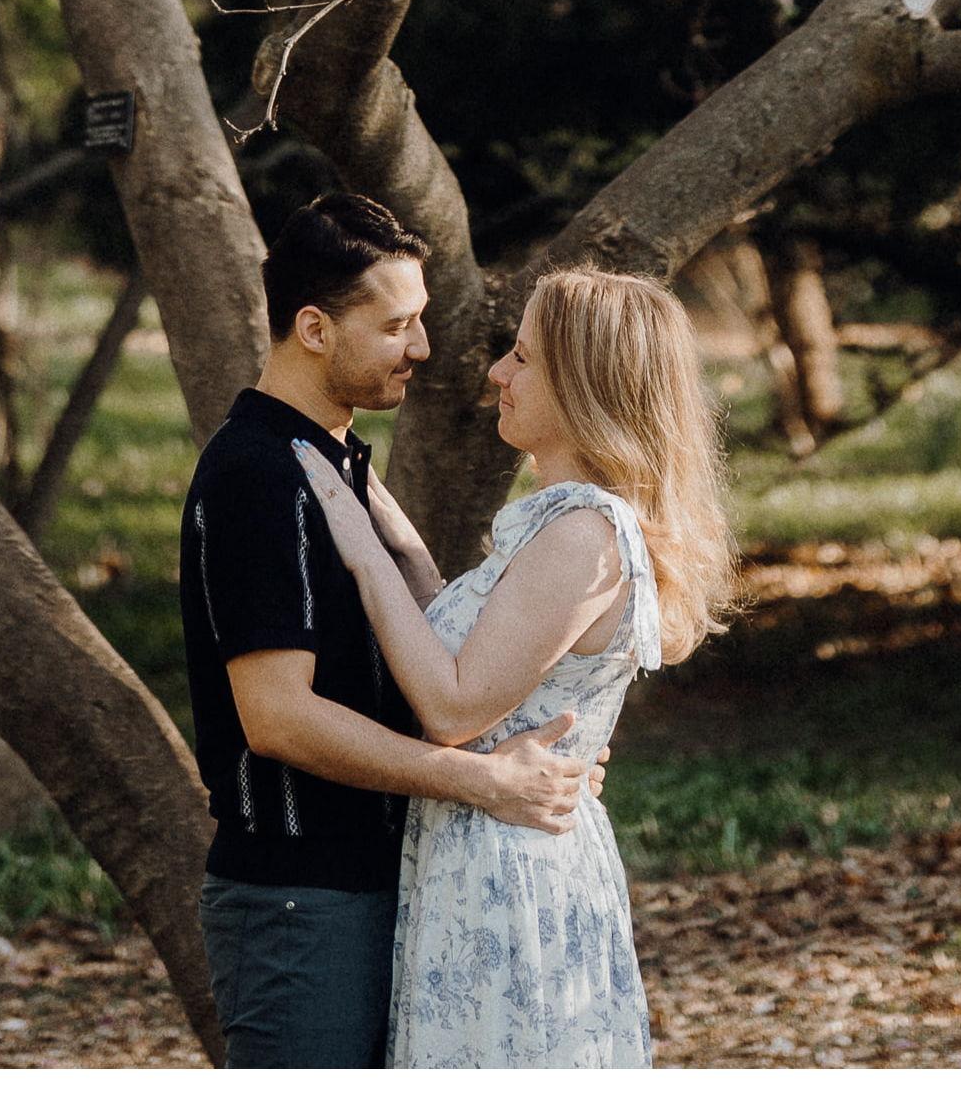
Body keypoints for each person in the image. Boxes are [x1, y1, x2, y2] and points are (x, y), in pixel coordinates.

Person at [177, 190, 591, 1068]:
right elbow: (278, 718)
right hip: (299, 904)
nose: (424, 347)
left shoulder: (332, 462)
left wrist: (542, 753)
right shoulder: (259, 475)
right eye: (397, 325)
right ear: (316, 329)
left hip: (373, 885)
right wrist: (480, 784)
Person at [293, 266, 731, 1071]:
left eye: (523, 358)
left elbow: (452, 706)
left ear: (588, 385)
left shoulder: (584, 536)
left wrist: (361, 552)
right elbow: (475, 649)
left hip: (511, 875)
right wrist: (388, 523)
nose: (498, 372)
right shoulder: (565, 526)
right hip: (485, 857)